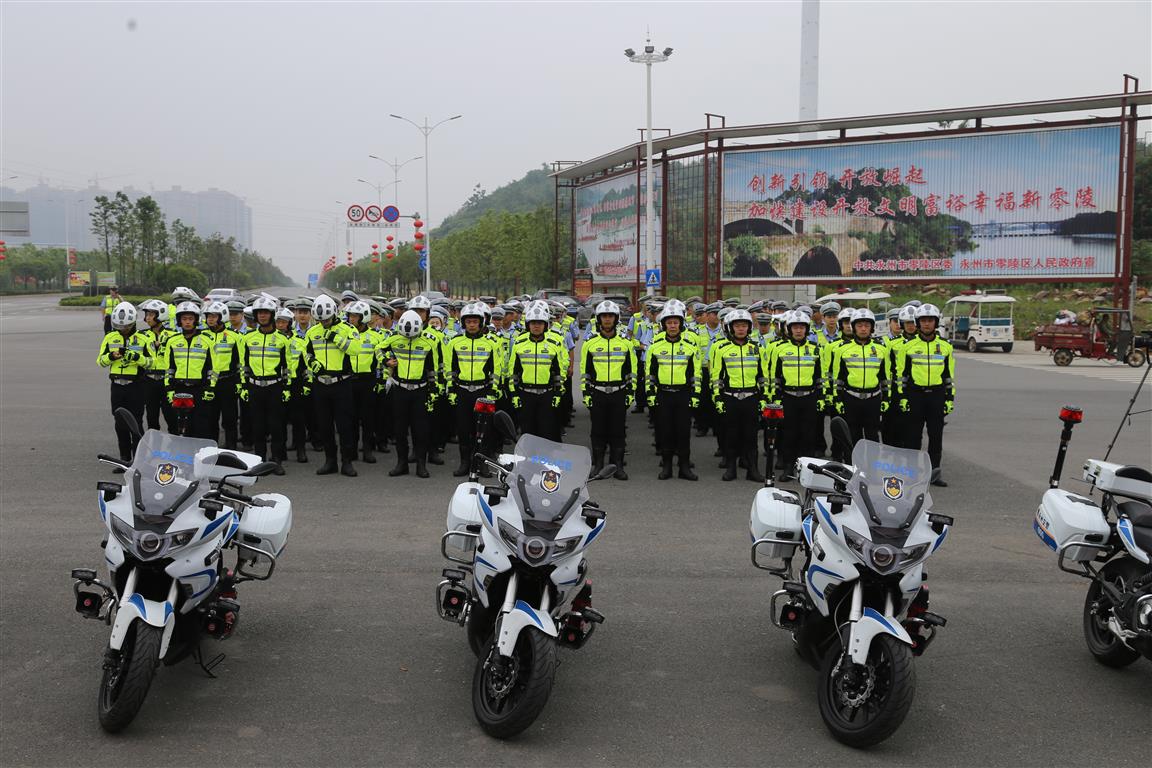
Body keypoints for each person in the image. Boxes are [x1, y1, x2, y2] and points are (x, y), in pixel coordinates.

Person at [897, 303, 955, 487]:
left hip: (936, 395)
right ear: (918, 323)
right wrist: (902, 397)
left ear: (936, 322)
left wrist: (949, 399)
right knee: (913, 436)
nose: (927, 324)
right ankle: (912, 474)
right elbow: (902, 375)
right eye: (923, 321)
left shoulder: (945, 346)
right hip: (915, 395)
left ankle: (934, 473)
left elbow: (948, 375)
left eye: (930, 320)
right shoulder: (908, 346)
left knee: (936, 435)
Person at [380, 310, 440, 478]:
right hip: (400, 390)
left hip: (420, 391)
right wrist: (386, 361)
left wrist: (433, 389)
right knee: (399, 429)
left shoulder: (429, 343)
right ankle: (402, 463)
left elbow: (433, 368)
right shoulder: (394, 339)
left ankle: (421, 464)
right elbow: (378, 350)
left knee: (420, 430)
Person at [304, 294, 359, 477]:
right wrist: (312, 364)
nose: (324, 322)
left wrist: (336, 338)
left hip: (341, 384)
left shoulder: (347, 329)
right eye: (320, 320)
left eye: (327, 319)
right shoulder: (312, 332)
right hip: (320, 385)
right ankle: (330, 461)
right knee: (324, 425)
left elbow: (356, 349)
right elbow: (306, 353)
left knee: (344, 425)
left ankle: (347, 462)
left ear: (334, 314)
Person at [581, 300, 637, 480]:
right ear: (598, 319)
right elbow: (585, 370)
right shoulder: (590, 343)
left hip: (619, 392)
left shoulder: (626, 343)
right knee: (597, 430)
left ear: (616, 319)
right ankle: (598, 465)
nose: (607, 320)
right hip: (597, 392)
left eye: (610, 316)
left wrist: (630, 392)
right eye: (604, 316)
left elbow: (632, 370)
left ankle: (617, 465)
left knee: (617, 430)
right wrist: (586, 393)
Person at [646, 299, 700, 481]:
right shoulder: (655, 347)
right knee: (665, 431)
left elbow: (695, 374)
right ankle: (667, 467)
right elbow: (650, 374)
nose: (672, 326)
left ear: (681, 324)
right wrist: (650, 394)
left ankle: (684, 467)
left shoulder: (690, 347)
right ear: (663, 325)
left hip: (683, 395)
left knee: (683, 432)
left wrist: (695, 395)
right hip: (663, 394)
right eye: (669, 322)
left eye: (676, 322)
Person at [445, 302, 501, 477]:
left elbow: (496, 369)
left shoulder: (491, 343)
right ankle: (465, 463)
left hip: (482, 392)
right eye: (468, 321)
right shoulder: (454, 342)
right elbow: (449, 368)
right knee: (463, 428)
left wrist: (493, 390)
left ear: (481, 323)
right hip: (462, 391)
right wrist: (451, 390)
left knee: (484, 429)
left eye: (475, 322)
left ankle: (482, 464)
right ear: (463, 323)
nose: (471, 324)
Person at [712, 308, 767, 482]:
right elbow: (716, 376)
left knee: (751, 436)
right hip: (730, 397)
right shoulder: (721, 348)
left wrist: (765, 397)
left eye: (744, 325)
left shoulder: (757, 348)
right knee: (731, 435)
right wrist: (718, 398)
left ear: (749, 327)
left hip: (751, 397)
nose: (741, 329)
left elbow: (763, 375)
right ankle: (730, 469)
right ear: (730, 327)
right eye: (737, 326)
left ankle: (753, 470)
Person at [239, 297, 291, 474]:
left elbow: (287, 367)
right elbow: (243, 365)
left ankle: (277, 461)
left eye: (266, 313)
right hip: (254, 387)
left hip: (275, 387)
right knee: (258, 426)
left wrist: (287, 388)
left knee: (276, 426)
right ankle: (259, 461)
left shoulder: (282, 339)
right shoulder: (248, 338)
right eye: (259, 313)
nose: (262, 316)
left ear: (272, 315)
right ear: (255, 315)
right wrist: (244, 386)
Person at [769, 311, 822, 482]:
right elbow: (776, 376)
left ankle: (808, 472)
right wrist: (776, 398)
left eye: (801, 327)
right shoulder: (781, 349)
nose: (798, 331)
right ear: (789, 329)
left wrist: (821, 398)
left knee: (808, 435)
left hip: (809, 397)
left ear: (806, 330)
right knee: (788, 435)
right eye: (795, 327)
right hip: (788, 397)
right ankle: (787, 468)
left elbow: (820, 376)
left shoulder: (815, 350)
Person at [97, 301, 151, 465]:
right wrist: (111, 357)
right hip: (117, 386)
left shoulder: (143, 339)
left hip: (136, 386)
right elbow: (100, 361)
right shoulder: (110, 337)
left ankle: (139, 460)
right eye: (120, 326)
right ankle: (124, 459)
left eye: (126, 326)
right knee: (120, 423)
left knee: (136, 423)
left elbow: (151, 362)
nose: (123, 329)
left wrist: (136, 358)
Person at [830, 308, 890, 449]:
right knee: (852, 436)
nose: (863, 329)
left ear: (872, 327)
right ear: (853, 327)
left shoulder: (882, 349)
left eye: (867, 326)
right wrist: (837, 399)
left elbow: (885, 377)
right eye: (859, 326)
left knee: (872, 437)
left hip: (873, 399)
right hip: (851, 398)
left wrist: (887, 398)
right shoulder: (842, 349)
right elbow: (838, 378)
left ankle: (871, 469)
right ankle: (852, 468)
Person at [508, 301, 567, 443]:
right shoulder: (519, 343)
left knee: (547, 431)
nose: (536, 326)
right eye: (533, 323)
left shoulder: (554, 343)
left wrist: (558, 393)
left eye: (539, 323)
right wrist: (514, 394)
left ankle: (546, 463)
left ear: (545, 324)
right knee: (528, 431)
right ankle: (528, 463)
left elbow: (559, 370)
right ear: (528, 324)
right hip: (525, 394)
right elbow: (513, 370)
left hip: (546, 395)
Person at [164, 301, 218, 439]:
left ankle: (200, 457)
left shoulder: (207, 340)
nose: (187, 322)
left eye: (190, 319)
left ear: (196, 320)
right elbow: (169, 367)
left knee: (201, 426)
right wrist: (169, 389)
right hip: (179, 388)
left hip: (199, 389)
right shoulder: (172, 341)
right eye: (184, 319)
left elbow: (213, 367)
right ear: (179, 321)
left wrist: (210, 388)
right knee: (180, 427)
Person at [344, 300, 381, 464]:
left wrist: (381, 380)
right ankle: (351, 450)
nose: (351, 319)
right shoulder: (344, 334)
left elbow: (381, 360)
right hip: (349, 380)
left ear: (364, 317)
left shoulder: (375, 336)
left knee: (368, 418)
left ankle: (367, 450)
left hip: (367, 381)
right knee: (350, 418)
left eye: (355, 316)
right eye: (350, 316)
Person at [203, 301, 242, 449]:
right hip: (208, 383)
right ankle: (211, 449)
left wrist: (239, 382)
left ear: (223, 317)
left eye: (214, 316)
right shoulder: (203, 336)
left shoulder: (234, 336)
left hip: (228, 382)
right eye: (208, 316)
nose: (210, 319)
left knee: (230, 419)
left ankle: (231, 448)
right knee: (210, 418)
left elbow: (240, 361)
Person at [882, 305, 918, 447]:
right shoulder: (891, 344)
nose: (910, 326)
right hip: (895, 387)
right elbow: (886, 368)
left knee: (911, 425)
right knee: (891, 422)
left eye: (913, 322)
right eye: (907, 323)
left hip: (915, 387)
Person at [137, 299, 173, 431]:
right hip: (149, 381)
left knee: (171, 417)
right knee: (151, 418)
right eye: (147, 314)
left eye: (151, 314)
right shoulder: (141, 335)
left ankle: (173, 447)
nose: (148, 318)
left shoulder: (173, 335)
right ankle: (155, 447)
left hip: (167, 381)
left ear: (161, 314)